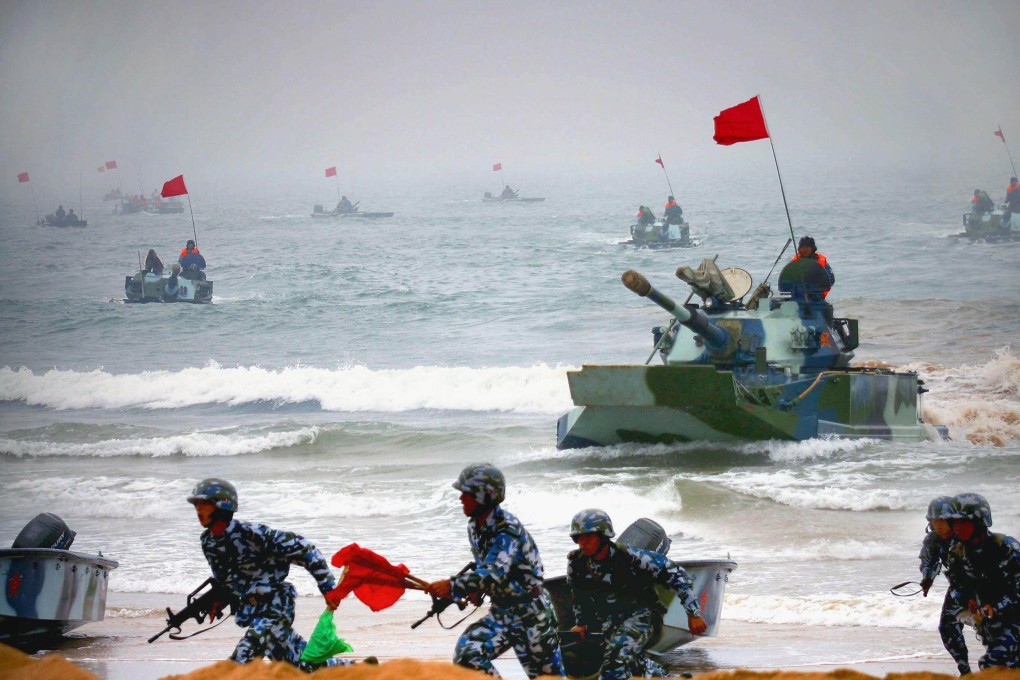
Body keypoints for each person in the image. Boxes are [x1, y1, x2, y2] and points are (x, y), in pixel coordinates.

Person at [187, 478, 354, 671]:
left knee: (242, 658)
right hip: (253, 611)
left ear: (222, 505)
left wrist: (328, 588)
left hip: (276, 606)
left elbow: (305, 549)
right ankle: (357, 669)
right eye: (196, 504)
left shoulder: (253, 534)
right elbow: (226, 580)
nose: (198, 509)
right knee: (300, 666)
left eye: (204, 503)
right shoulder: (209, 543)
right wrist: (220, 600)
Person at [426, 463, 564, 678]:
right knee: (467, 655)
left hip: (531, 615)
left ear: (485, 495)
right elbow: (486, 569)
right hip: (501, 613)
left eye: (467, 493)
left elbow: (494, 574)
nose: (461, 498)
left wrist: (453, 585)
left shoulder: (507, 528)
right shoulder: (474, 527)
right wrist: (474, 590)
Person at [567, 509, 705, 680]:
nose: (583, 543)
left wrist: (693, 612)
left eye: (588, 537)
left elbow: (676, 574)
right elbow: (580, 596)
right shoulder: (578, 564)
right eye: (578, 538)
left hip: (643, 617)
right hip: (611, 623)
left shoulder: (631, 557)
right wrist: (581, 624)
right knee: (632, 664)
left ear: (603, 536)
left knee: (614, 663)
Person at [946, 493, 1020, 670]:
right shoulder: (957, 553)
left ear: (979, 521)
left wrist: (996, 607)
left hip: (1014, 619)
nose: (958, 527)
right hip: (991, 625)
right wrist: (967, 600)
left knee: (991, 664)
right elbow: (956, 587)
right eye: (954, 522)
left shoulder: (1005, 548)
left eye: (964, 522)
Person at [919, 496, 972, 675]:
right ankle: (965, 671)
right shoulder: (933, 539)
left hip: (985, 587)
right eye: (934, 521)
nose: (938, 525)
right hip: (958, 587)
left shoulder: (968, 536)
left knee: (996, 630)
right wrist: (927, 577)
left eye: (942, 520)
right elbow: (929, 561)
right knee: (947, 629)